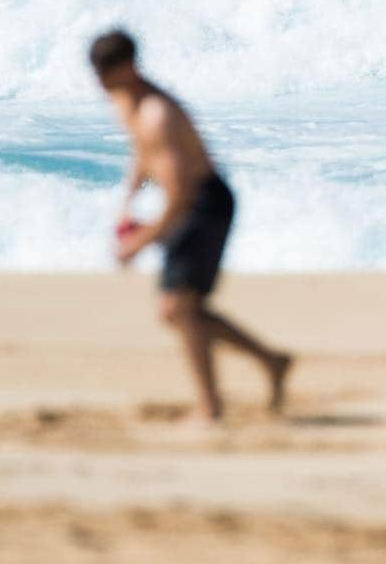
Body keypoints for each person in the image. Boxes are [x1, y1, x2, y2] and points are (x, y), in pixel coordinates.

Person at [89, 29, 291, 424]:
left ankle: (210, 407)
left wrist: (140, 243)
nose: (102, 85)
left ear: (128, 67)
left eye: (108, 76)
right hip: (189, 203)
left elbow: (180, 194)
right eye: (98, 77)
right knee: (179, 311)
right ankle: (271, 360)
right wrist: (129, 202)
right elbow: (142, 152)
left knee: (177, 306)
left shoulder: (158, 113)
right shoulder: (126, 100)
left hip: (205, 203)